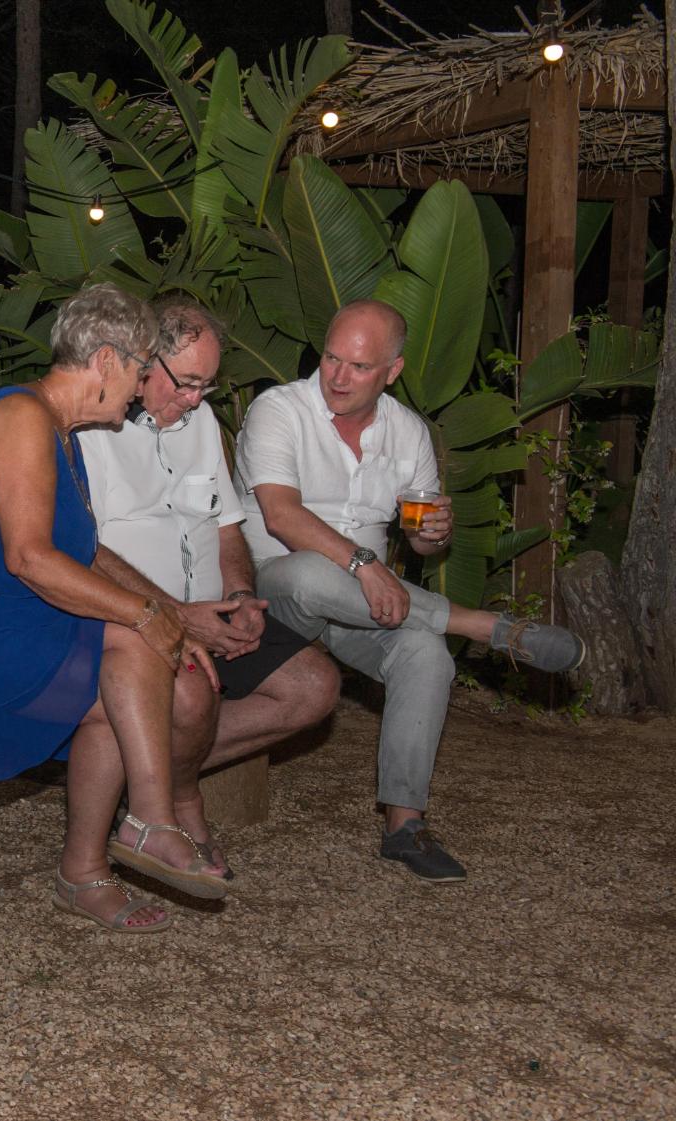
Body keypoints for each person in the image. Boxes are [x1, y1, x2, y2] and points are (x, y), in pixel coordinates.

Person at [235, 298, 586, 883]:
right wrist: (364, 564)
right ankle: (481, 626)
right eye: (331, 358)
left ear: (392, 371)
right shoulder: (280, 410)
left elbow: (421, 543)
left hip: (363, 606)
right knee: (307, 572)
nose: (338, 376)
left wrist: (432, 535)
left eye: (359, 366)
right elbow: (281, 517)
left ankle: (404, 824)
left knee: (425, 654)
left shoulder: (408, 432)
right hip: (276, 593)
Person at [0, 283, 230, 938]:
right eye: (139, 369)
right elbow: (28, 558)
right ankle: (150, 821)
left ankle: (85, 869)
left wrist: (161, 610)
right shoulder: (21, 416)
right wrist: (146, 614)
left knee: (117, 692)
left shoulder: (61, 431)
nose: (138, 389)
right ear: (105, 360)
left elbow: (85, 554)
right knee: (132, 640)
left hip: (22, 625)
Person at [78, 296, 340, 875]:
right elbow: (82, 552)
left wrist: (241, 596)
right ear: (143, 360)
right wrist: (175, 614)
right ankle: (180, 800)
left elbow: (226, 528)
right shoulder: (89, 431)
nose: (197, 399)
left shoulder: (201, 424)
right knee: (193, 694)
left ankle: (145, 778)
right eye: (187, 383)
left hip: (209, 610)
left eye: (207, 386)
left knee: (314, 687)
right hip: (135, 620)